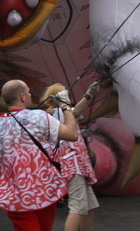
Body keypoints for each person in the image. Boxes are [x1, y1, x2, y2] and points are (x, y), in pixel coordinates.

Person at [0, 79, 78, 231]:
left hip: (16, 196)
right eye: (28, 91)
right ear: (22, 97)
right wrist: (66, 105)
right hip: (46, 191)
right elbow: (72, 134)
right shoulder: (40, 117)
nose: (30, 94)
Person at [41, 83, 100, 231]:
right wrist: (88, 94)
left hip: (78, 164)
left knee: (89, 207)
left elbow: (74, 114)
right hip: (73, 164)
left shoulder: (58, 113)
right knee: (78, 207)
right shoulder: (59, 112)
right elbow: (76, 111)